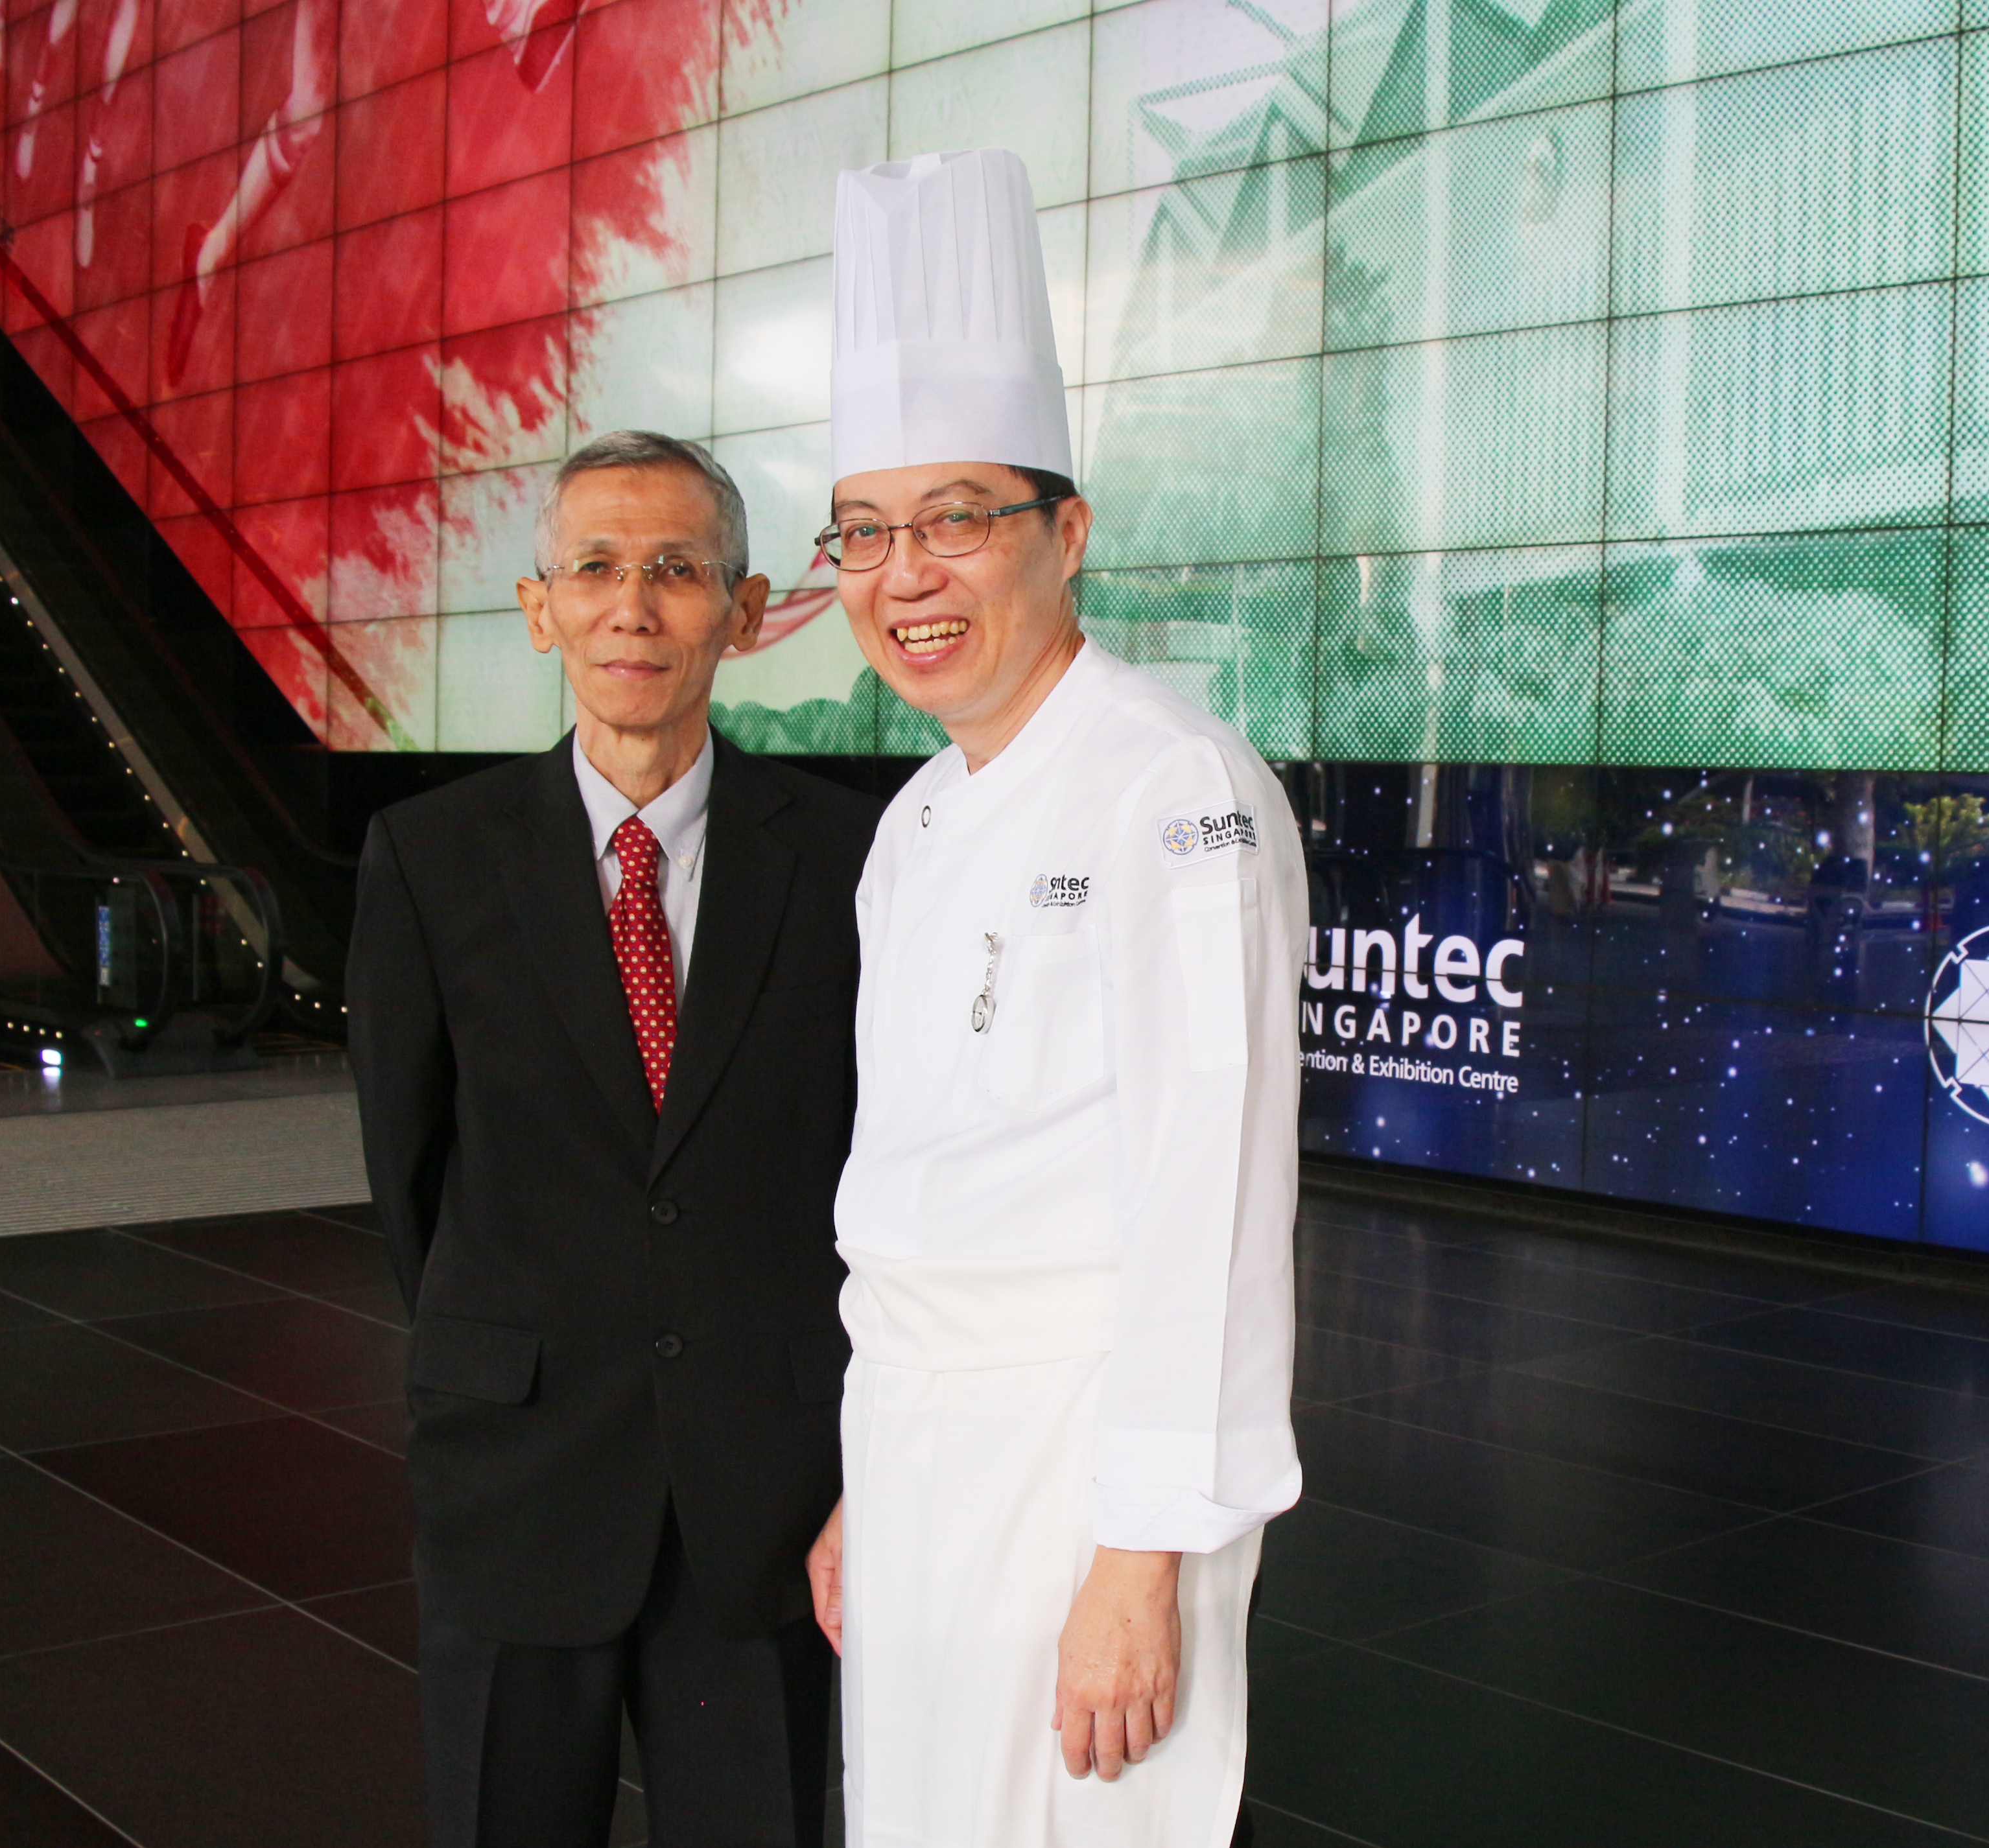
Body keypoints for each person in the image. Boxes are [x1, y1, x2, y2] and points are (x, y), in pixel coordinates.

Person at [802, 148, 1304, 1848]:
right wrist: (872, 1486)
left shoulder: (1176, 787)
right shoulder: (917, 817)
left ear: (1066, 529)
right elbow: (912, 1179)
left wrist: (1140, 1557)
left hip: (1085, 1453)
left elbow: (1212, 1205)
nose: (906, 574)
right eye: (865, 532)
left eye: (956, 518)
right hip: (918, 1429)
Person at [347, 429, 875, 1848]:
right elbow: (409, 1171)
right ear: (540, 611)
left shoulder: (849, 859)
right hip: (515, 1470)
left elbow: (874, 1166)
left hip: (762, 1490)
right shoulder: (430, 857)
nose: (631, 605)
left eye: (675, 569)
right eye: (593, 566)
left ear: (745, 611)